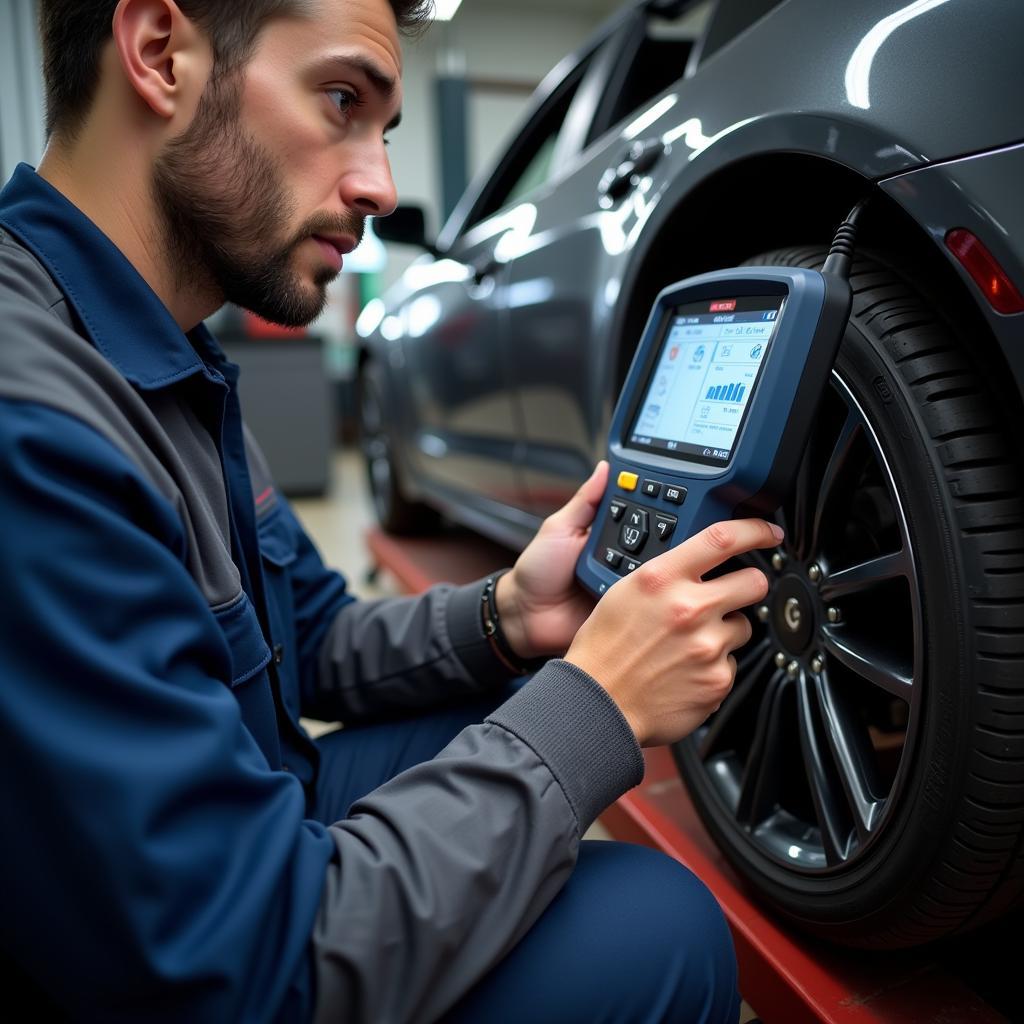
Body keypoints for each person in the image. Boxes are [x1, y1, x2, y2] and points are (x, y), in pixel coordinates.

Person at [0, 1, 781, 1020]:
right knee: (660, 925)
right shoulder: (35, 427)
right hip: (222, 955)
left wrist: (508, 613)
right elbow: (250, 964)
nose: (380, 185)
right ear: (158, 53)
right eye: (339, 101)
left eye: (384, 129)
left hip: (239, 809)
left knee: (508, 711)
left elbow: (309, 635)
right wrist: (598, 704)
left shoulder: (163, 357)